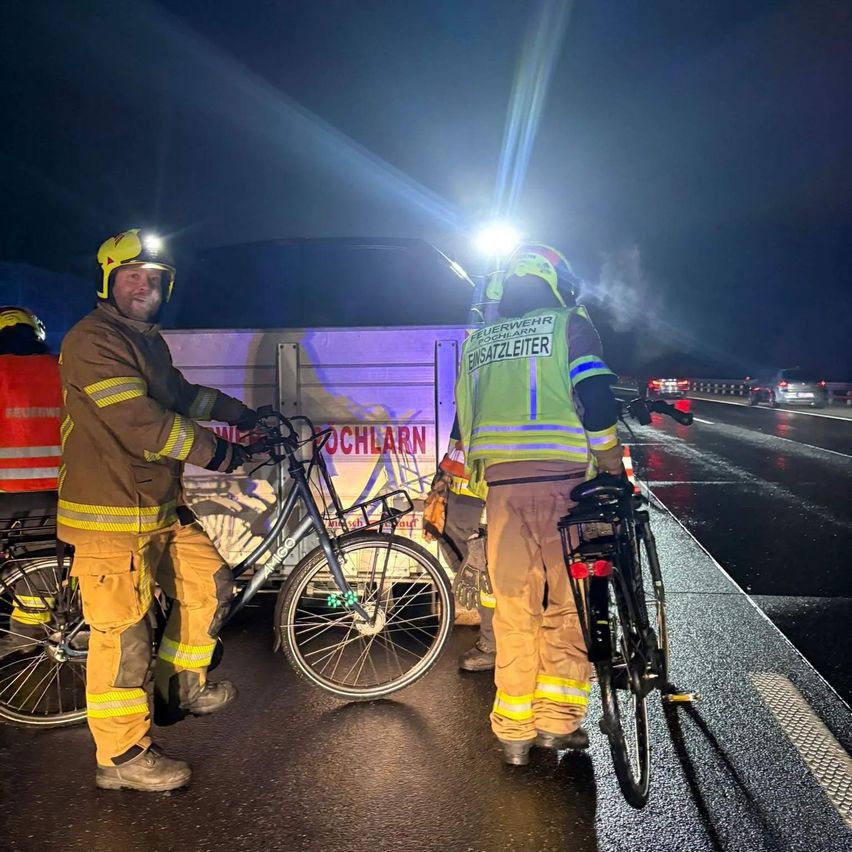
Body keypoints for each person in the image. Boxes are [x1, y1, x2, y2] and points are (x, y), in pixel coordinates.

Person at [58, 229, 259, 792]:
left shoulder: (144, 339)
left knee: (210, 581)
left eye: (154, 280)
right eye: (132, 277)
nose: (144, 287)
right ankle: (120, 757)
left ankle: (180, 687)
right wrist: (222, 453)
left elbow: (181, 395)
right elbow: (142, 420)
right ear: (108, 281)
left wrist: (243, 416)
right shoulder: (93, 340)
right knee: (124, 636)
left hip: (156, 507)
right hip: (110, 514)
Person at [454, 242, 623, 766]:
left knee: (513, 610)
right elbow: (594, 395)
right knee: (567, 606)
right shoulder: (569, 325)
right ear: (557, 282)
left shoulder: (478, 341)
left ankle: (512, 735)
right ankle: (556, 725)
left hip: (502, 493)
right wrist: (611, 461)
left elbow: (465, 422)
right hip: (566, 487)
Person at [0, 306, 63, 656]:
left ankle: (21, 637)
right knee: (41, 568)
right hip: (57, 490)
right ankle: (26, 632)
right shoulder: (61, 368)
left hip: (4, 494)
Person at [427, 429, 494, 671]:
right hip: (461, 480)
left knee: (484, 568)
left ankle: (494, 644)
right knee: (471, 567)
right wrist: (444, 473)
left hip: (482, 484)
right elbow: (460, 427)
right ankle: (496, 639)